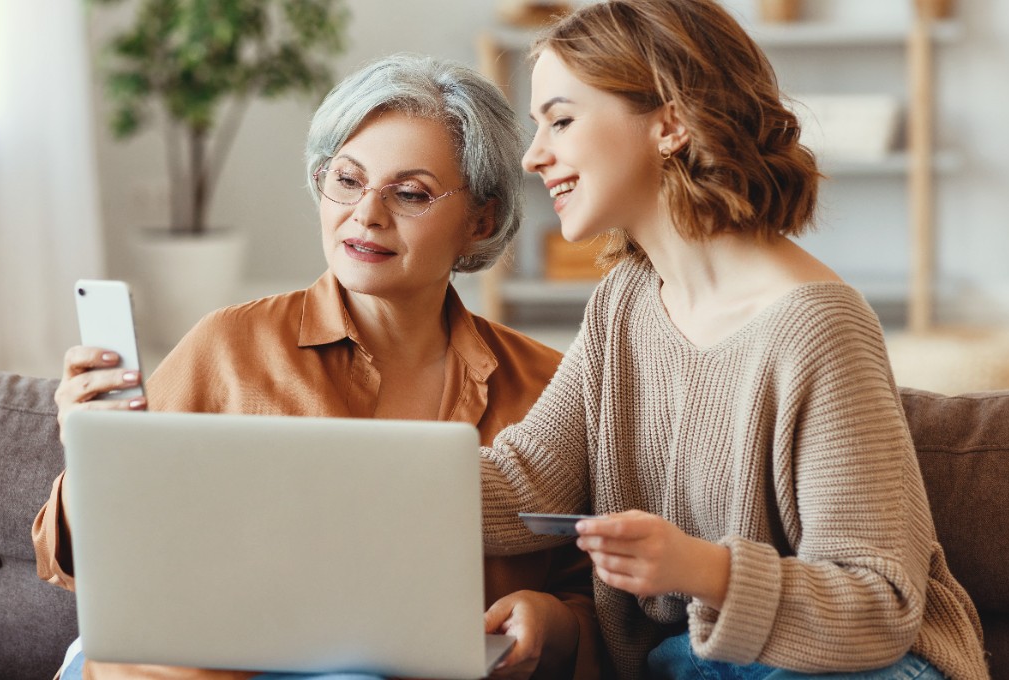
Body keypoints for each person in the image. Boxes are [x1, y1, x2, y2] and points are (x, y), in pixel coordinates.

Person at [32, 54, 603, 680]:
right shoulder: (228, 347)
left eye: (410, 193)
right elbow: (86, 562)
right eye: (347, 180)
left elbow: (597, 597)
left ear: (481, 220)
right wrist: (89, 454)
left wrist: (552, 622)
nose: (367, 214)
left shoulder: (551, 388)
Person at [476, 2, 990, 679]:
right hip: (697, 662)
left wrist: (701, 569)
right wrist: (343, 470)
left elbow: (881, 608)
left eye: (561, 120)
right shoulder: (622, 305)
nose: (534, 155)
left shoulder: (819, 327)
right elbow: (524, 483)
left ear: (670, 123)